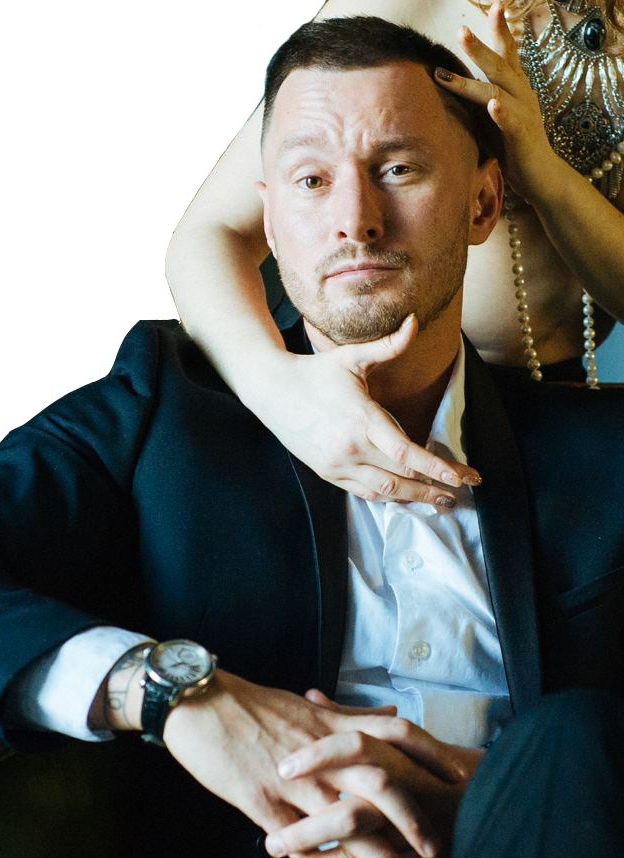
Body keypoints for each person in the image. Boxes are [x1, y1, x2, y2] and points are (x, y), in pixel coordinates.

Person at [0, 17, 624, 858]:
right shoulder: (163, 414)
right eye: (312, 181)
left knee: (571, 737)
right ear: (269, 218)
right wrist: (176, 694)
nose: (354, 219)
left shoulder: (601, 450)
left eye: (398, 169)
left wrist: (491, 805)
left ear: (481, 203)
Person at [166, 0, 624, 508]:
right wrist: (280, 393)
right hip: (379, 404)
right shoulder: (406, 6)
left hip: (569, 416)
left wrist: (550, 182)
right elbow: (210, 233)